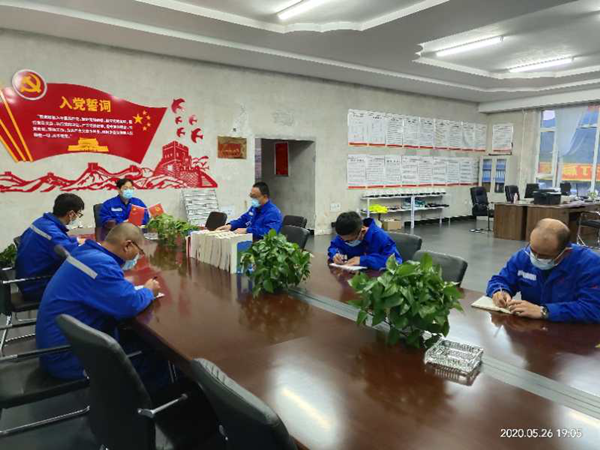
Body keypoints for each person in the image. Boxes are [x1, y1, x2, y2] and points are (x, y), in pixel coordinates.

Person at [36, 223, 161, 381]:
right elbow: (129, 305)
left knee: (134, 335)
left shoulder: (87, 252)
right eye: (140, 251)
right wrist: (148, 291)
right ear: (127, 245)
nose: (138, 257)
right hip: (68, 357)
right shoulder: (102, 265)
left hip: (60, 346)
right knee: (156, 356)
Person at [487, 218, 600, 323]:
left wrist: (545, 311)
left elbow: (594, 308)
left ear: (565, 252)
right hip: (531, 328)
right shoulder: (523, 256)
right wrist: (499, 291)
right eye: (533, 250)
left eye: (544, 256)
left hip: (571, 331)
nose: (535, 258)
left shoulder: (589, 265)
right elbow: (500, 280)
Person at [15, 193, 85, 303]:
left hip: (28, 280)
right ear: (71, 214)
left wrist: (75, 241)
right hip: (38, 286)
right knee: (89, 286)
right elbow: (72, 256)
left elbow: (59, 243)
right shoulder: (51, 232)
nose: (77, 217)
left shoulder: (42, 222)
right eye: (78, 214)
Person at [327, 211, 402, 270]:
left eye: (349, 241)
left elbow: (395, 261)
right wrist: (335, 254)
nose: (345, 242)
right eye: (342, 239)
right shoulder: (345, 234)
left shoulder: (380, 236)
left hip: (376, 278)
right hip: (351, 275)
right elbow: (334, 246)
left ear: (362, 231)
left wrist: (362, 260)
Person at [217, 182, 282, 240]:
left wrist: (247, 230)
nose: (253, 199)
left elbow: (269, 233)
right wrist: (231, 226)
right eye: (251, 196)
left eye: (255, 197)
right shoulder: (254, 208)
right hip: (250, 240)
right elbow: (244, 220)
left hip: (263, 245)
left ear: (265, 197)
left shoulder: (273, 213)